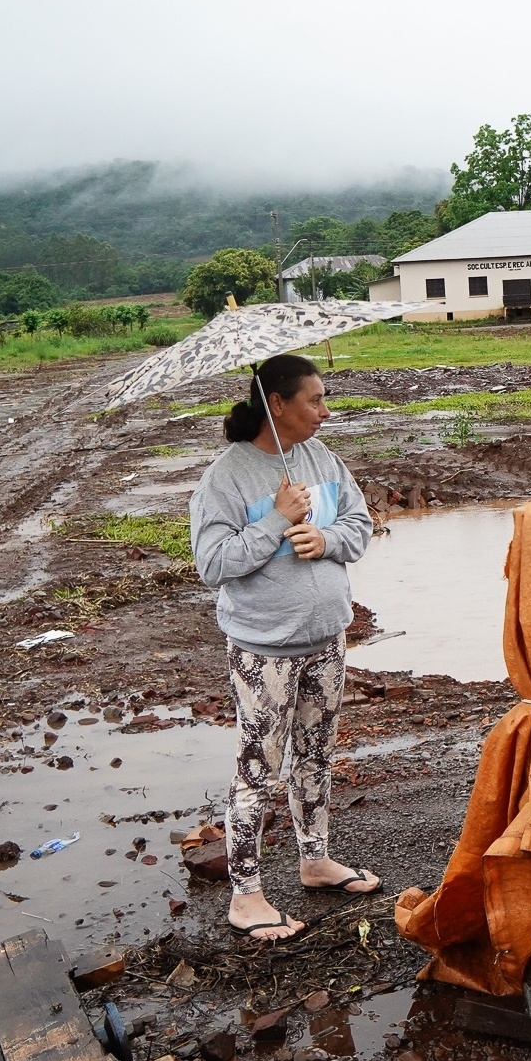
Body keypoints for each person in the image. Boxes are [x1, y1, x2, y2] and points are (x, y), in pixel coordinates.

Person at [189, 352, 378, 942]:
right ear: (277, 405)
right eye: (314, 400)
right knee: (259, 766)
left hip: (326, 637)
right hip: (264, 649)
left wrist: (324, 536)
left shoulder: (320, 457)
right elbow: (212, 564)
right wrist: (274, 521)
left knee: (315, 753)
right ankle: (246, 896)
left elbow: (361, 524)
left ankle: (314, 860)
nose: (325, 410)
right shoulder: (226, 477)